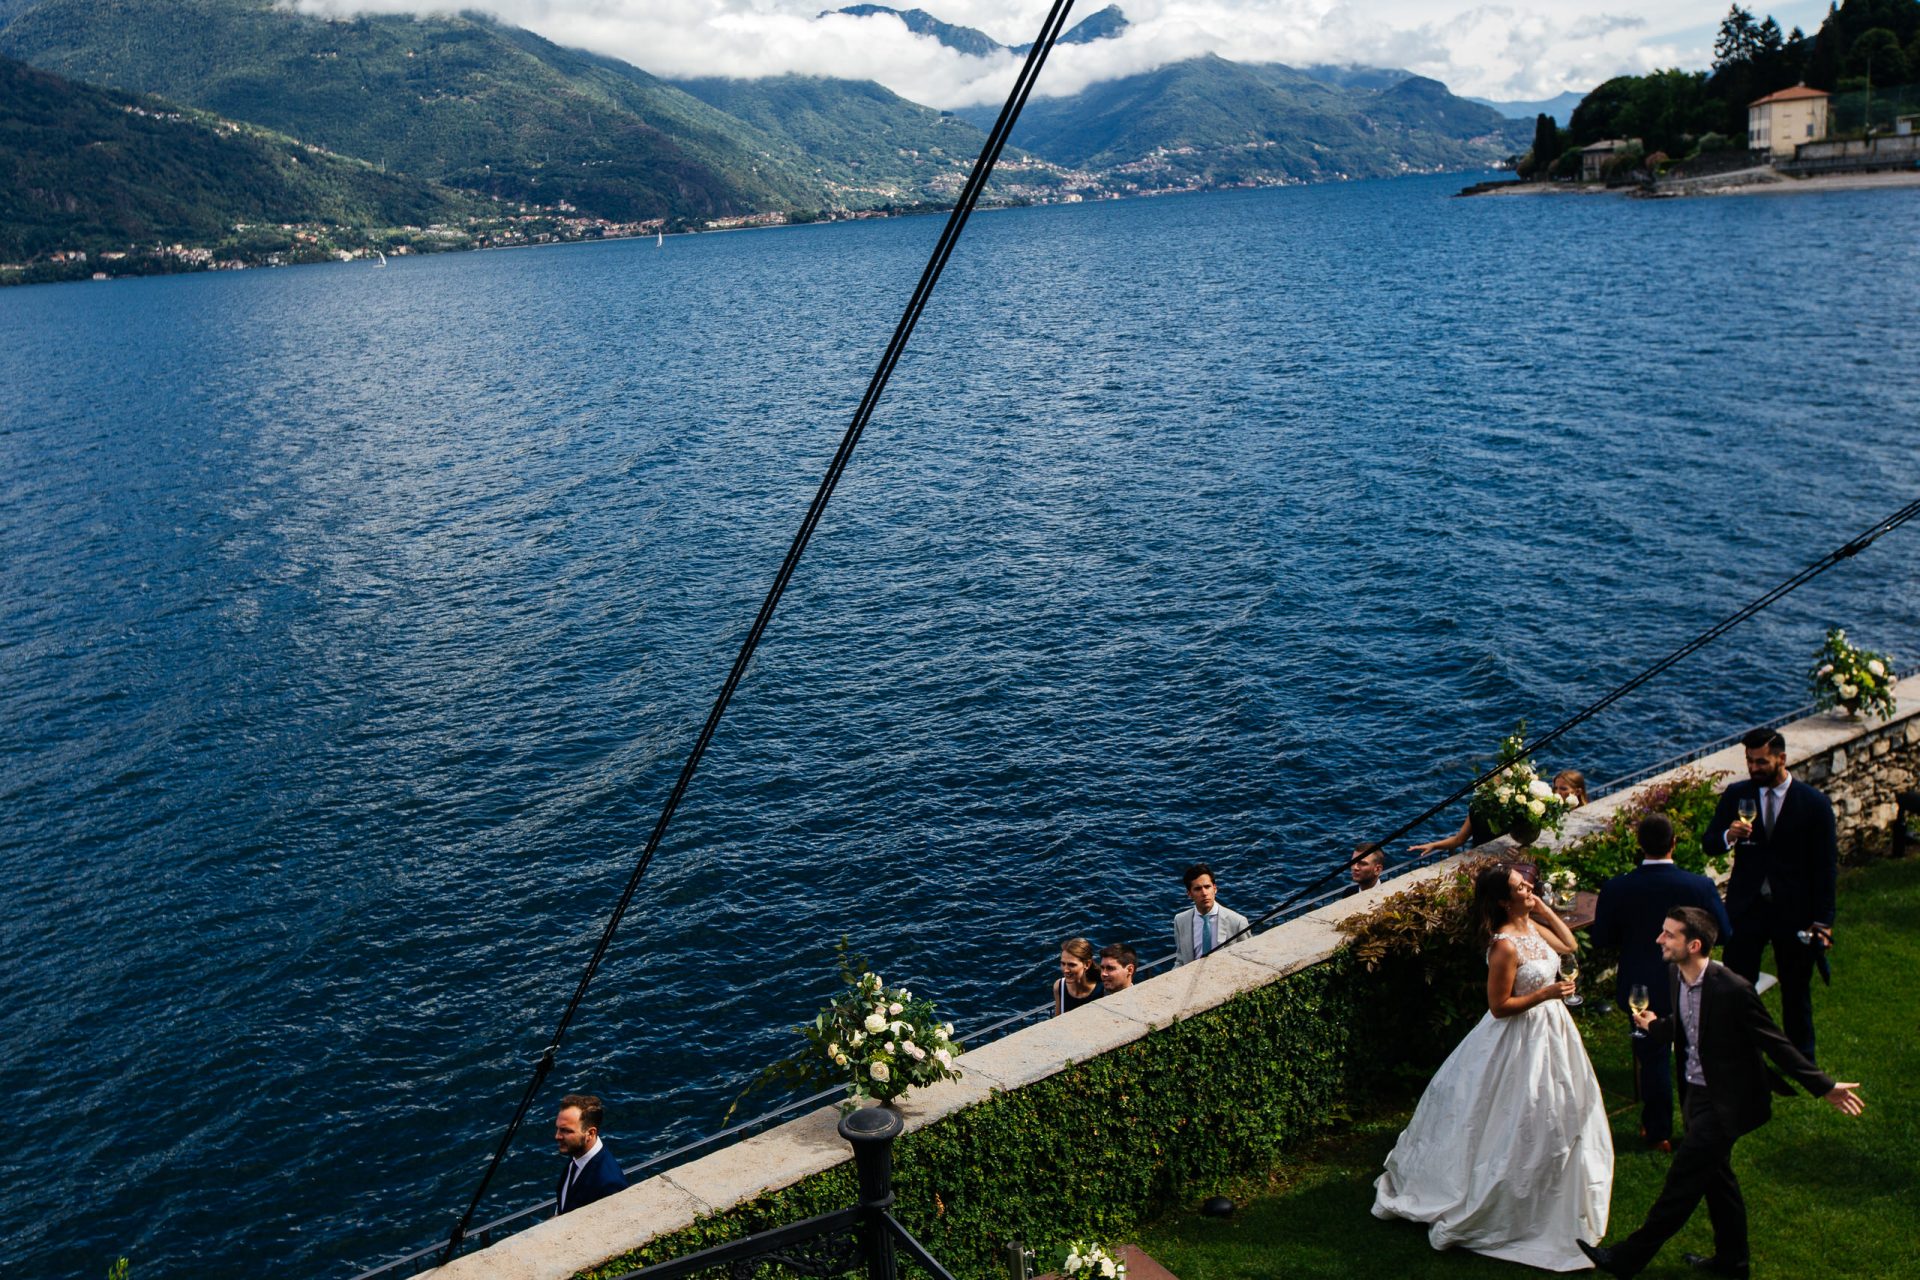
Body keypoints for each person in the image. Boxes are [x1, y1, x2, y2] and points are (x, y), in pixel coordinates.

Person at [1579, 908, 1864, 1279]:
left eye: (1669, 934)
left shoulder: (1733, 989)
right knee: (1717, 1180)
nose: (1659, 939)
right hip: (1696, 1095)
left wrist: (1824, 1086)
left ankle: (1626, 1259)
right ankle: (1733, 1263)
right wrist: (1656, 1026)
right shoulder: (1676, 974)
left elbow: (1774, 1041)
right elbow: (1687, 1025)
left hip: (1728, 1101)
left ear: (1694, 945)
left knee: (1682, 1183)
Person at [1373, 864, 1611, 1271]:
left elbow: (1569, 944)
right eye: (1521, 887)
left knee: (1560, 1107)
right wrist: (1547, 993)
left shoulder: (1531, 926)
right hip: (1519, 1038)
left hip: (1553, 1032)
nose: (1529, 886)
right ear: (1503, 900)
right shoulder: (1504, 946)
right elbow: (1499, 1007)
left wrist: (1543, 909)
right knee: (1517, 1113)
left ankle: (1554, 1182)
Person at [1589, 814, 1733, 1150]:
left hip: (1641, 987)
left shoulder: (1617, 887)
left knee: (1652, 1058)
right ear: (1674, 843)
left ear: (1639, 844)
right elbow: (1724, 932)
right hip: (1690, 980)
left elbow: (1601, 939)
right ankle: (1697, 1128)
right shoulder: (1699, 886)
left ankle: (1657, 1132)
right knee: (1692, 1056)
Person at [1702, 727, 1837, 1060]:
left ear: (1782, 759)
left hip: (1794, 911)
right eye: (1749, 761)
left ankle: (1802, 1060)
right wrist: (1728, 835)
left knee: (1796, 990)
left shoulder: (1814, 803)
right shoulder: (1737, 795)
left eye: (1761, 761)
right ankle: (1741, 1053)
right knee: (1737, 987)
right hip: (1747, 908)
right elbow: (1710, 843)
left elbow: (1825, 866)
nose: (1754, 768)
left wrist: (1823, 920)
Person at [554, 1093, 627, 1215]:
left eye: (566, 1131)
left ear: (591, 1133)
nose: (557, 1136)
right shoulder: (577, 1156)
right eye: (558, 1128)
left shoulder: (609, 1184)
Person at [1173, 863, 1249, 964]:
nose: (1204, 893)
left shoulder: (1237, 922)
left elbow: (1248, 959)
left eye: (1207, 887)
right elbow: (1180, 960)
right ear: (1189, 894)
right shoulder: (1180, 920)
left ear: (1215, 889)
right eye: (1198, 889)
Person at [1053, 937, 1103, 1016]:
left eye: (1071, 965)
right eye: (1063, 964)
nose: (1065, 970)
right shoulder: (1059, 986)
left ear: (1087, 964)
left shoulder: (1102, 989)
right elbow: (1057, 1019)